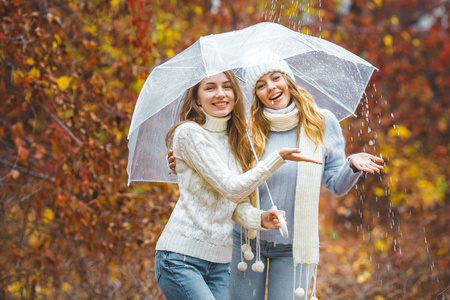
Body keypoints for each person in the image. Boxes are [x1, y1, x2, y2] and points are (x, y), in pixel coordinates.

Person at [228, 50, 385, 300]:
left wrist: (351, 165)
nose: (270, 88)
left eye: (276, 78)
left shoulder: (321, 122)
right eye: (260, 85)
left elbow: (336, 185)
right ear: (255, 94)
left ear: (288, 80)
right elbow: (230, 182)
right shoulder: (247, 130)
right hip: (247, 243)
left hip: (294, 247)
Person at [154, 70, 322, 300]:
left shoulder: (237, 140)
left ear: (235, 94)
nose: (220, 94)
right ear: (196, 98)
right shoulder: (189, 133)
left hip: (220, 264)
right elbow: (231, 187)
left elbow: (234, 203)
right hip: (181, 259)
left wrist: (260, 218)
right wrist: (277, 158)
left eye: (227, 87)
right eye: (210, 88)